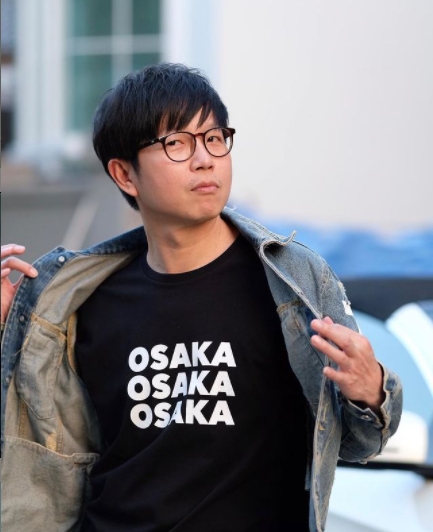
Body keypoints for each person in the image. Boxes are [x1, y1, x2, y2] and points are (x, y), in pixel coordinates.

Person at [1, 63, 402, 532]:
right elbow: (38, 453)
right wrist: (8, 335)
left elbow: (360, 443)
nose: (205, 159)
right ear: (125, 174)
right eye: (177, 143)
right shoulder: (80, 302)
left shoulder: (292, 283)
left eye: (214, 138)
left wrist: (370, 390)